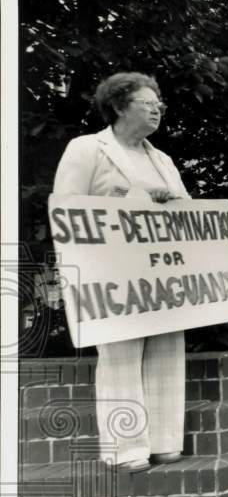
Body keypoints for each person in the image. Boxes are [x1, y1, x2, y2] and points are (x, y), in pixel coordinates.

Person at [53, 72, 190, 472]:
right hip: (111, 275)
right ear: (118, 106)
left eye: (158, 104)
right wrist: (128, 199)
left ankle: (165, 442)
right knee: (121, 356)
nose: (156, 109)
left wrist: (171, 203)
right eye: (148, 103)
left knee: (167, 351)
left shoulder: (161, 159)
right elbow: (67, 210)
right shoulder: (87, 149)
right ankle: (127, 448)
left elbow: (189, 212)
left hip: (163, 276)